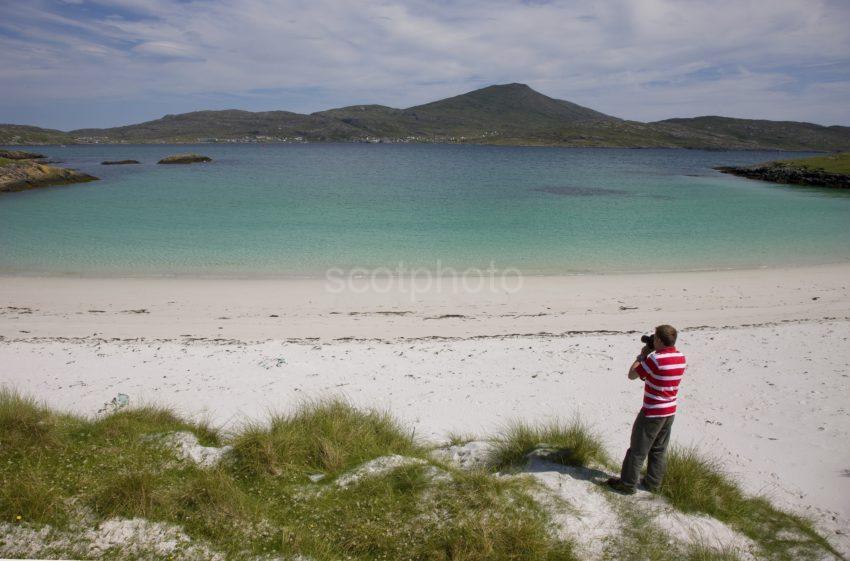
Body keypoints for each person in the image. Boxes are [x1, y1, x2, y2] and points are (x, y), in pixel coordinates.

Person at [606, 324, 687, 495]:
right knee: (658, 449)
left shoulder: (656, 359)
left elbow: (632, 374)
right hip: (669, 411)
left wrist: (642, 355)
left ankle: (627, 485)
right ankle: (653, 484)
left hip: (652, 411)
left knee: (637, 450)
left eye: (654, 338)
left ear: (658, 340)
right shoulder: (681, 357)